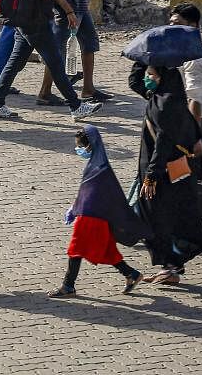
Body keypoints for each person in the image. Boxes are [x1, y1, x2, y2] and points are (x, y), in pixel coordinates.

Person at [129, 62, 202, 284]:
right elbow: (134, 82)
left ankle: (171, 266)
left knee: (158, 220)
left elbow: (163, 144)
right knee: (160, 219)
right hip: (163, 172)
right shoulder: (159, 95)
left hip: (163, 174)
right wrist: (144, 59)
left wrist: (151, 175)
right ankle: (170, 267)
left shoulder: (168, 105)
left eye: (151, 74)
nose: (147, 78)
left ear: (163, 77)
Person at [46, 127, 146, 298]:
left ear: (89, 146)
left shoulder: (98, 169)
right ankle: (131, 274)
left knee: (76, 250)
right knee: (108, 250)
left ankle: (68, 286)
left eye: (80, 146)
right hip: (95, 216)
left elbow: (92, 196)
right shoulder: (99, 164)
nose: (78, 150)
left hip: (91, 217)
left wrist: (76, 208)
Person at [169, 3, 202, 235]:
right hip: (188, 117)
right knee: (189, 169)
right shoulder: (183, 50)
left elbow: (195, 100)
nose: (173, 27)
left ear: (193, 26)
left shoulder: (194, 59)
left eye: (178, 24)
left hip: (196, 119)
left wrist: (194, 135)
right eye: (171, 23)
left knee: (193, 169)